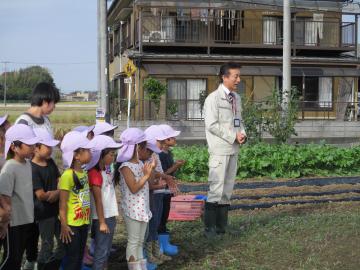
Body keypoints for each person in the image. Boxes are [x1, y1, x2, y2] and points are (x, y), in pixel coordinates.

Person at [15, 81, 60, 270]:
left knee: (46, 221)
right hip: (30, 178)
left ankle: (39, 259)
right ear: (45, 100)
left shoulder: (46, 121)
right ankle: (31, 259)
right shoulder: (23, 122)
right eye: (53, 103)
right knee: (31, 225)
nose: (54, 107)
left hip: (47, 173)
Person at [203, 62, 247, 238]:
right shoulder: (213, 99)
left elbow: (239, 120)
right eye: (235, 76)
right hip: (220, 150)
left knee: (227, 189)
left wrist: (242, 133)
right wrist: (232, 136)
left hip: (233, 149)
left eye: (238, 76)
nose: (238, 79)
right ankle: (209, 229)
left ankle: (222, 227)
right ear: (224, 77)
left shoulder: (236, 98)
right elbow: (212, 125)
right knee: (216, 188)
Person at [0, 124, 40, 270]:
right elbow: (5, 197)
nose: (32, 147)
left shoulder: (28, 164)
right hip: (14, 222)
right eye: (28, 144)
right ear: (14, 147)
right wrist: (5, 223)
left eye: (33, 143)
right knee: (12, 258)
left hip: (27, 219)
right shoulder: (10, 168)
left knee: (17, 258)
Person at [117, 128, 156, 270]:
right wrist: (146, 175)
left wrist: (151, 170)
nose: (144, 149)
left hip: (142, 208)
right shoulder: (125, 167)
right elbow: (133, 187)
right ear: (136, 147)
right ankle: (134, 267)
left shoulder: (140, 164)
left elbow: (149, 184)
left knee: (140, 241)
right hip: (132, 210)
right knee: (133, 241)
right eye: (143, 146)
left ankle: (141, 267)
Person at [59, 131, 94, 270]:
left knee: (79, 256)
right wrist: (64, 225)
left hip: (83, 222)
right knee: (73, 258)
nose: (90, 153)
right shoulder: (67, 176)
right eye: (86, 150)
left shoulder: (83, 173)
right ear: (76, 155)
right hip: (71, 224)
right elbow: (62, 203)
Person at [31, 128, 64, 270]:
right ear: (36, 148)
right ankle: (43, 265)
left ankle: (54, 264)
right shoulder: (32, 168)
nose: (51, 150)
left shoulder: (50, 162)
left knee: (63, 241)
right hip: (44, 214)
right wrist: (57, 193)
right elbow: (41, 195)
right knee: (47, 243)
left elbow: (60, 181)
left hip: (55, 211)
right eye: (47, 147)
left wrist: (56, 193)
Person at [86, 135, 121, 270]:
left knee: (105, 250)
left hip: (109, 215)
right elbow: (98, 200)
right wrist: (101, 222)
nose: (113, 157)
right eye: (111, 154)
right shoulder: (94, 173)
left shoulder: (105, 169)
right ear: (101, 154)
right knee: (101, 251)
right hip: (103, 217)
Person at [144, 125, 176, 264]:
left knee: (156, 223)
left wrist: (163, 177)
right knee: (152, 224)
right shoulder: (148, 156)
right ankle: (149, 254)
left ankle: (156, 251)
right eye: (161, 141)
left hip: (159, 191)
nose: (163, 144)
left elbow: (157, 172)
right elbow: (151, 174)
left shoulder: (155, 154)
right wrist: (164, 177)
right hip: (154, 192)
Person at [158, 124, 185, 246]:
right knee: (161, 212)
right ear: (166, 139)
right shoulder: (159, 155)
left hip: (167, 188)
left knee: (166, 211)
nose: (175, 140)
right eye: (173, 137)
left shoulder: (168, 153)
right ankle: (160, 240)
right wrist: (176, 166)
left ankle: (163, 239)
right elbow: (162, 174)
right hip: (160, 188)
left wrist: (175, 166)